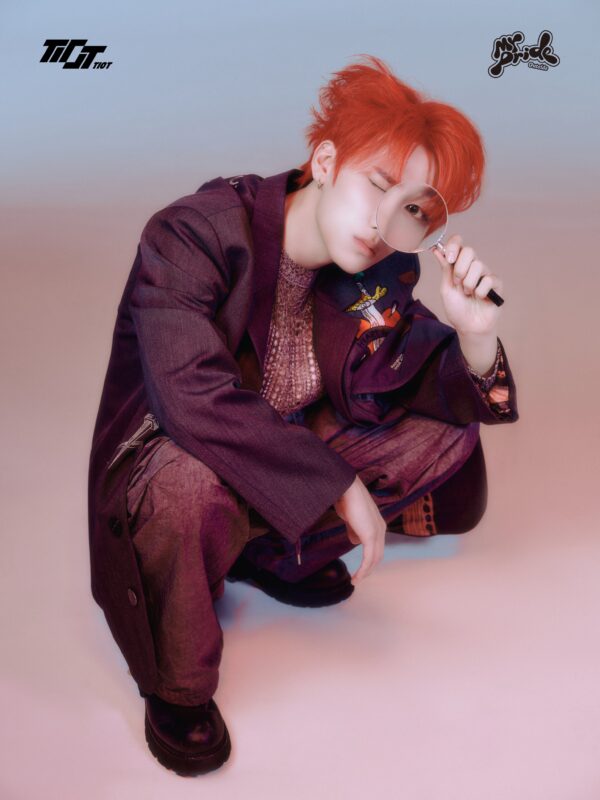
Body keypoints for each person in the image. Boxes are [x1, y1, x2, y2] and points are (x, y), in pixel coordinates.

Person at [87, 54, 518, 776]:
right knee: (190, 484)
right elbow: (192, 396)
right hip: (177, 455)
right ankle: (177, 685)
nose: (382, 221)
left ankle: (264, 554)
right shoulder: (192, 234)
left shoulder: (382, 268)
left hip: (280, 459)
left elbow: (415, 374)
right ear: (324, 162)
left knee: (447, 433)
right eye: (376, 184)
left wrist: (475, 335)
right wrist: (336, 484)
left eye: (410, 207)